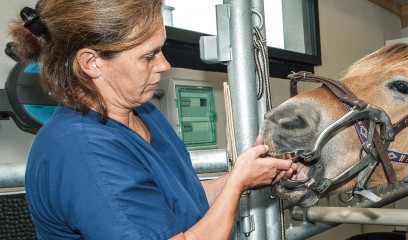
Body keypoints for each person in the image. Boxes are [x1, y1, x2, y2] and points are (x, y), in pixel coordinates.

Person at [10, 0, 296, 239]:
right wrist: (236, 185)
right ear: (91, 63)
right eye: (148, 56)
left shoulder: (143, 112)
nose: (164, 65)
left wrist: (241, 177)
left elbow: (182, 204)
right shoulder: (84, 152)